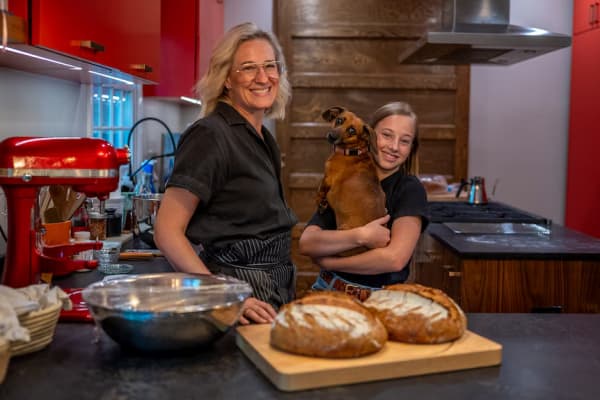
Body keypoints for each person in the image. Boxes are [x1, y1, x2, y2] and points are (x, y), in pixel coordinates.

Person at [154, 22, 297, 325]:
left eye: (270, 66)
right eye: (248, 68)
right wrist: (224, 296)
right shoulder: (210, 134)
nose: (262, 78)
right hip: (238, 293)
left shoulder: (262, 137)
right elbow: (167, 231)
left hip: (271, 289)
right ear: (227, 79)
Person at [298, 101, 429, 300]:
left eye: (404, 141)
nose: (394, 147)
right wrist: (362, 235)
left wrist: (330, 263)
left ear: (412, 148)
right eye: (386, 135)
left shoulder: (409, 189)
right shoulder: (345, 177)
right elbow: (308, 243)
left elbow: (394, 259)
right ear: (368, 134)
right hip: (326, 289)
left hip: (377, 299)